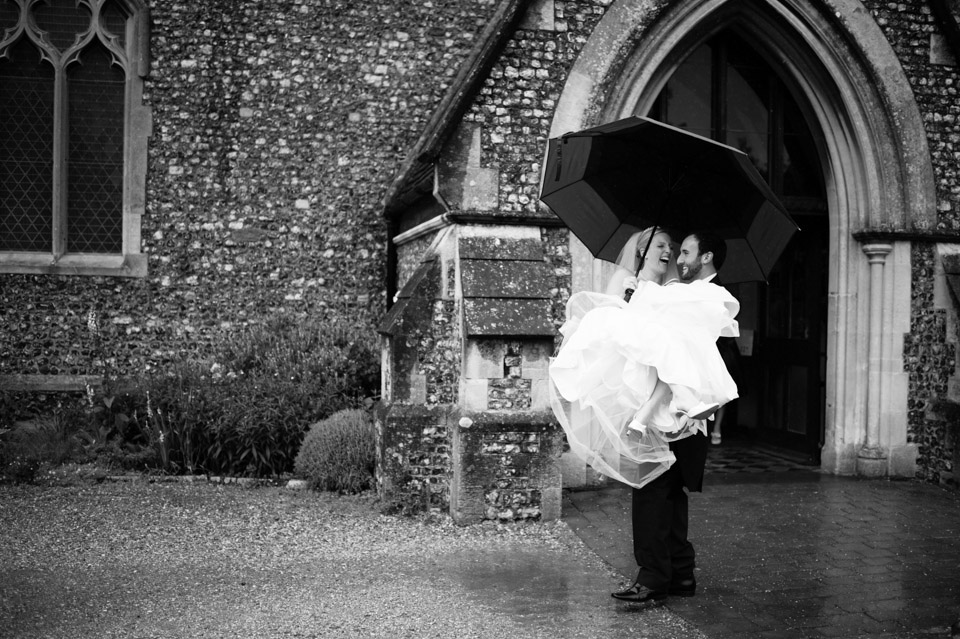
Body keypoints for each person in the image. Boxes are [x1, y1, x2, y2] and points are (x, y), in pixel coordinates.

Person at [549, 227, 740, 491]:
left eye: (672, 249)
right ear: (643, 250)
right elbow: (610, 317)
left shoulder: (672, 287)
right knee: (662, 341)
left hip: (656, 373)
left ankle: (665, 405)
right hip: (628, 355)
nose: (669, 253)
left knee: (670, 342)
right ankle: (670, 402)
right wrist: (628, 295)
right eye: (661, 246)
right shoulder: (626, 277)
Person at [611, 229, 736, 603]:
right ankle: (680, 574)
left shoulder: (706, 296)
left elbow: (717, 360)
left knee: (651, 493)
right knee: (668, 496)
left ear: (707, 257)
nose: (676, 258)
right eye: (668, 249)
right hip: (671, 413)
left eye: (683, 251)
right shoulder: (675, 294)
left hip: (680, 416)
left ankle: (652, 579)